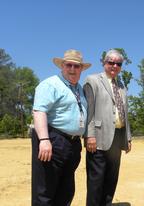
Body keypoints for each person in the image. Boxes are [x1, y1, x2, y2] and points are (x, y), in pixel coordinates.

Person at [31, 49, 91, 206]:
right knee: (45, 191)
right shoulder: (50, 84)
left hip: (72, 144)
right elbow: (39, 111)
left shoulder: (79, 89)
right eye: (68, 65)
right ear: (62, 66)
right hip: (53, 140)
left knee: (65, 190)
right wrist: (44, 139)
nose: (72, 69)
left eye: (76, 66)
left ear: (81, 69)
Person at [84, 49, 132, 206]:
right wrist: (89, 135)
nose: (114, 66)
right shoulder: (92, 80)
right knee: (96, 182)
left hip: (117, 138)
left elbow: (124, 113)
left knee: (111, 180)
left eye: (118, 63)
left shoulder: (122, 86)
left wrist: (128, 137)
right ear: (104, 63)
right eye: (111, 62)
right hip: (98, 138)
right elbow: (89, 110)